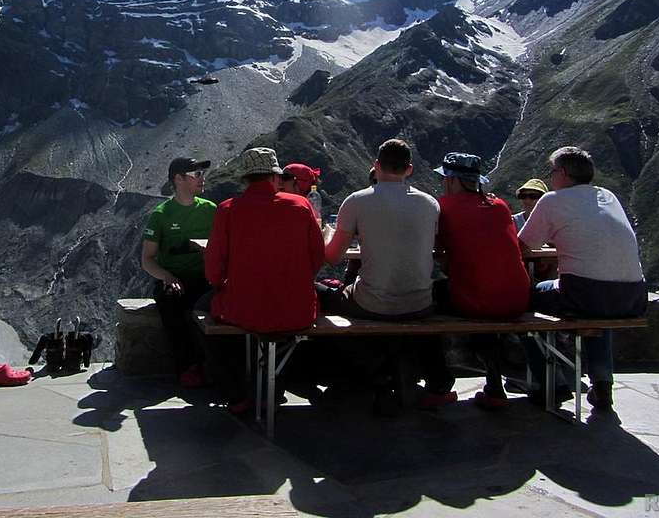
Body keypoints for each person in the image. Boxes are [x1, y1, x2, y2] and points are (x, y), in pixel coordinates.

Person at [322, 139, 455, 410]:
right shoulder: (430, 204)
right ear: (409, 169)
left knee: (330, 294)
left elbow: (333, 256)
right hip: (420, 304)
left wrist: (325, 235)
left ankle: (366, 376)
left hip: (372, 304)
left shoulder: (357, 201)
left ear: (376, 165)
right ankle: (426, 380)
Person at [518, 146, 647, 410]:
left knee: (525, 300)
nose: (551, 177)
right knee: (599, 312)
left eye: (552, 171)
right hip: (633, 296)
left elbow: (523, 246)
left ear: (563, 173)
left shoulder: (552, 200)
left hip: (585, 294)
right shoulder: (608, 196)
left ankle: (549, 382)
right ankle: (602, 384)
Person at [202, 147, 324, 409]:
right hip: (297, 311)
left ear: (246, 179)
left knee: (201, 312)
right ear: (274, 177)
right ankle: (273, 387)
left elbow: (213, 266)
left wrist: (220, 286)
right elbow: (317, 255)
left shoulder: (227, 209)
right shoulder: (301, 205)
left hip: (243, 310)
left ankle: (236, 393)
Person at [434, 152, 530, 410]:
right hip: (518, 298)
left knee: (422, 300)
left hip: (477, 300)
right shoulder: (499, 206)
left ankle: (436, 385)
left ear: (452, 181)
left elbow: (434, 247)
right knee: (482, 288)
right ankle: (495, 386)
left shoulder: (444, 207)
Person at [141, 157, 216, 388]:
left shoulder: (211, 210)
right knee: (171, 306)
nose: (202, 179)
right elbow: (147, 259)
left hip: (205, 278)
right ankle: (188, 367)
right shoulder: (161, 214)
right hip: (174, 281)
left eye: (202, 174)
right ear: (178, 179)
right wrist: (167, 277)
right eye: (196, 175)